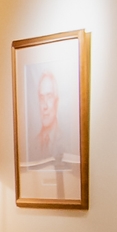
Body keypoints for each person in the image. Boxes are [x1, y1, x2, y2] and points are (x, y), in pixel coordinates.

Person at [20, 58, 75, 199]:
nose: (44, 106)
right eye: (41, 98)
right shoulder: (32, 144)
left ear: (57, 101)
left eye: (49, 97)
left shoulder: (68, 144)